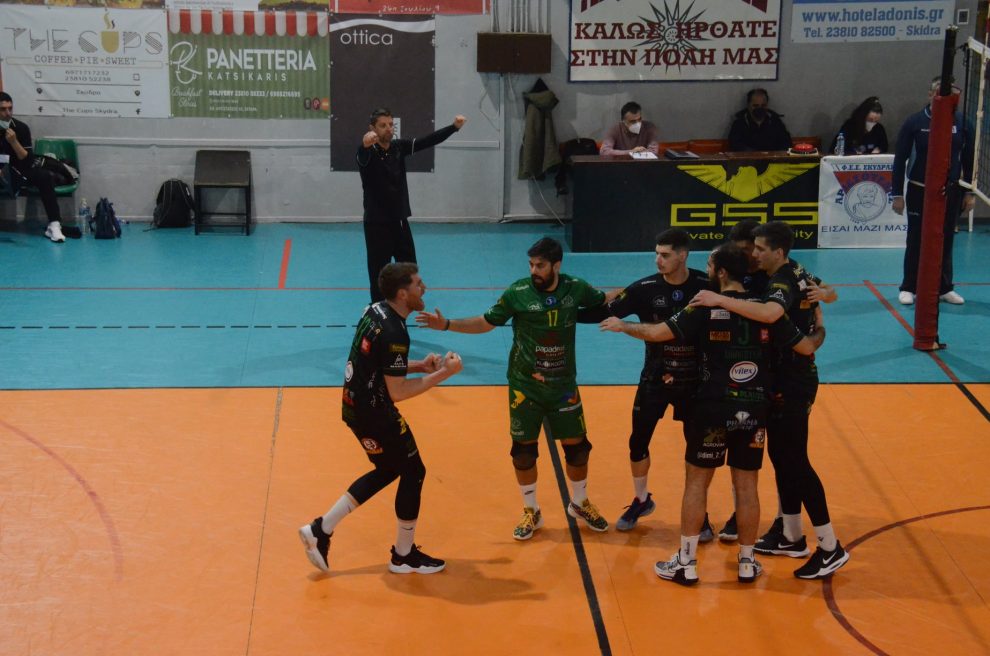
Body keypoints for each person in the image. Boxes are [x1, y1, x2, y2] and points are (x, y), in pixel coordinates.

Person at [600, 244, 824, 586]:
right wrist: (821, 328)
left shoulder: (703, 304)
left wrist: (623, 325)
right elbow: (806, 346)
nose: (706, 270)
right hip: (753, 410)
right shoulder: (766, 309)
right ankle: (746, 562)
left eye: (709, 265)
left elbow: (658, 333)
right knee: (746, 486)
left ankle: (687, 562)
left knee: (696, 483)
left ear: (721, 272)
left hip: (710, 408)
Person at [416, 237, 610, 540]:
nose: (534, 270)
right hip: (525, 386)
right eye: (531, 264)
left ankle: (580, 502)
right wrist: (447, 325)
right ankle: (531, 510)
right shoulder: (517, 292)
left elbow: (603, 300)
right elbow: (486, 322)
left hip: (563, 385)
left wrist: (639, 291)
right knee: (523, 452)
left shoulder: (576, 288)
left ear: (557, 265)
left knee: (577, 449)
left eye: (540, 265)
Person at [689, 221, 850, 580]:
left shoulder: (781, 281)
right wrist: (825, 297)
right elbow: (830, 290)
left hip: (793, 381)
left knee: (796, 461)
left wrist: (719, 300)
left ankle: (830, 546)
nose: (755, 255)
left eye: (759, 249)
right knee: (781, 457)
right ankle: (791, 535)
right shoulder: (794, 270)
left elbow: (771, 313)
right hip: (780, 378)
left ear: (778, 252)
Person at [299, 262, 463, 575]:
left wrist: (420, 366)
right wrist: (445, 373)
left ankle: (320, 530)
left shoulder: (375, 310)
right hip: (375, 413)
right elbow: (398, 392)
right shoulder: (395, 332)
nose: (424, 288)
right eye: (418, 284)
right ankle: (403, 556)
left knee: (388, 469)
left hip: (354, 406)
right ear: (402, 294)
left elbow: (379, 362)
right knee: (413, 471)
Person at [577, 229, 715, 538]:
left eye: (665, 255)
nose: (658, 260)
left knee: (696, 450)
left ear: (683, 255)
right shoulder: (644, 288)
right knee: (637, 442)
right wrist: (561, 311)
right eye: (656, 254)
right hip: (655, 378)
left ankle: (700, 514)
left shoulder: (706, 286)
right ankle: (641, 500)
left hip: (695, 382)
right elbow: (602, 312)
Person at [357, 108, 467, 302]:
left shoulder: (399, 147)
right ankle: (378, 311)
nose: (388, 128)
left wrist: (454, 127)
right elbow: (363, 151)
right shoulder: (366, 153)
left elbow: (427, 141)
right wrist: (365, 143)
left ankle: (405, 308)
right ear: (372, 128)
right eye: (382, 125)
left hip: (400, 222)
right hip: (376, 225)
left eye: (391, 124)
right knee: (378, 274)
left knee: (410, 271)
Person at [892, 77, 974, 306]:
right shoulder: (915, 122)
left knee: (946, 239)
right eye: (939, 93)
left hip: (951, 192)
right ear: (930, 95)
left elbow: (969, 159)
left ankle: (944, 288)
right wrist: (897, 194)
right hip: (920, 190)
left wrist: (969, 193)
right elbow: (900, 159)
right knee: (916, 239)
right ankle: (909, 287)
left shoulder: (963, 123)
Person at [0, 91, 67, 242]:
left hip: (19, 170)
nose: (8, 113)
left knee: (44, 176)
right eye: (3, 109)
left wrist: (14, 142)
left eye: (10, 108)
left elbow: (27, 160)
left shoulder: (21, 128)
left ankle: (54, 225)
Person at [727, 88, 792, 152]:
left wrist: (777, 154)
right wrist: (753, 154)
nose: (759, 108)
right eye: (755, 105)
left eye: (763, 105)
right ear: (748, 105)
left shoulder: (775, 122)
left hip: (772, 157)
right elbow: (735, 144)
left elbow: (786, 143)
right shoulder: (739, 123)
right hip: (748, 158)